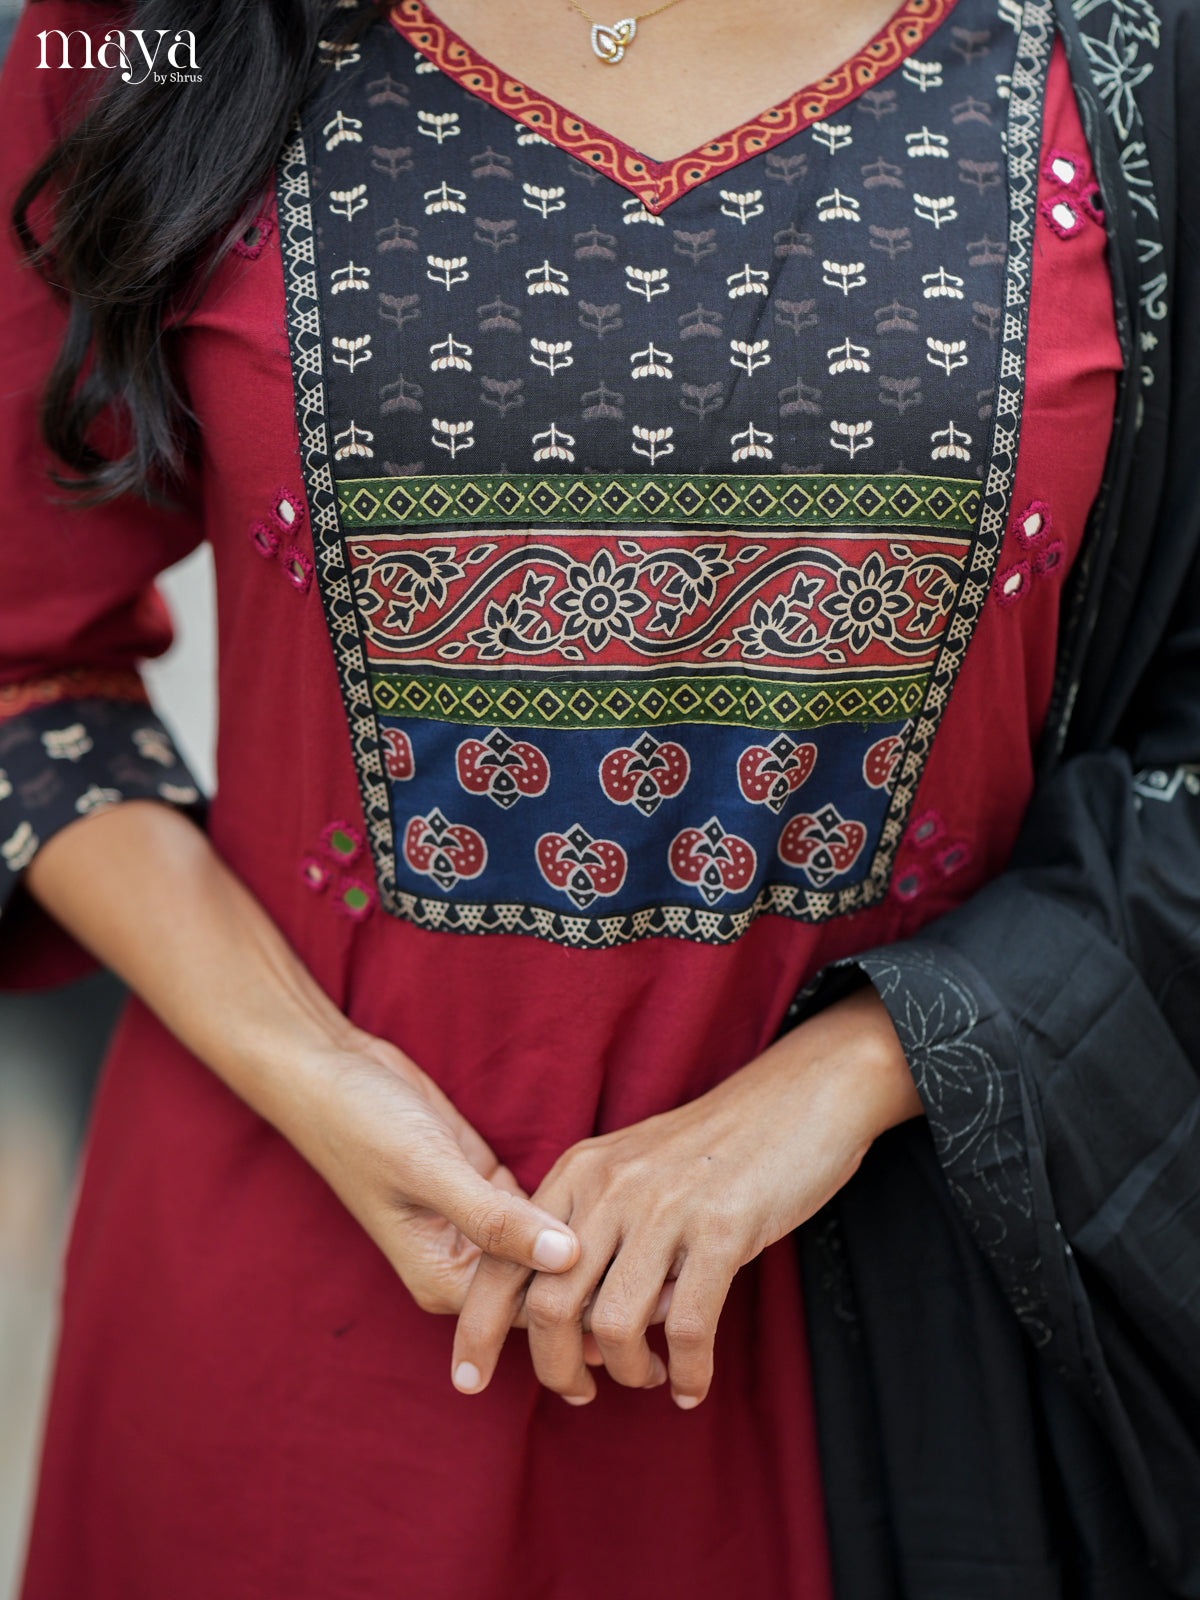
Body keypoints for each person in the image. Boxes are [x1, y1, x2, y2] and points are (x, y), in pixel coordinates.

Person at [1, 0, 1197, 1594]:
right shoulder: (154, 34)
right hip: (308, 1336)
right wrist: (311, 1068)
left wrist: (859, 1070)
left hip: (914, 1349)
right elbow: (26, 666)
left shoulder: (1138, 66)